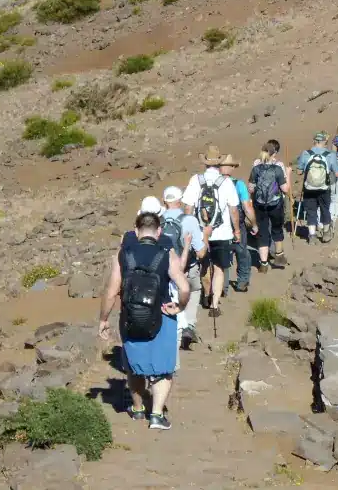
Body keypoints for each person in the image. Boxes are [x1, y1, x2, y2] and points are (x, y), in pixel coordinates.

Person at [98, 212, 190, 430]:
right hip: (162, 315)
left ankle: (138, 409)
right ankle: (157, 415)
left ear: (136, 231)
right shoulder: (167, 254)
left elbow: (111, 292)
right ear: (159, 232)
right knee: (164, 368)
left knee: (133, 366)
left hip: (129, 316)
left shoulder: (123, 254)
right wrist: (180, 306)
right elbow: (185, 288)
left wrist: (103, 319)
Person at [182, 145, 241, 317]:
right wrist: (237, 230)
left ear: (206, 163)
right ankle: (215, 304)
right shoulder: (226, 182)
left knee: (203, 264)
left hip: (200, 232)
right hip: (222, 233)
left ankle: (206, 295)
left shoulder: (196, 180)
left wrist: (188, 228)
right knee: (219, 268)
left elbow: (188, 207)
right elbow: (233, 210)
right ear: (219, 163)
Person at [160, 186, 206, 349]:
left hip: (164, 270)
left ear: (164, 201)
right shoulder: (190, 220)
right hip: (187, 267)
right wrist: (205, 236)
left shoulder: (157, 221)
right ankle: (189, 326)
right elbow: (201, 253)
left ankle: (172, 328)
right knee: (193, 290)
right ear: (180, 201)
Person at [249, 140, 291, 271]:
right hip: (275, 204)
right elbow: (285, 189)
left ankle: (263, 264)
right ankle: (279, 257)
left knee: (262, 233)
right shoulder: (277, 168)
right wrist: (288, 175)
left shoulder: (256, 168)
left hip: (260, 205)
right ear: (273, 154)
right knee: (277, 229)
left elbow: (250, 188)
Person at [296, 132, 338, 244]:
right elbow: (337, 174)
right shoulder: (330, 154)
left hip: (309, 188)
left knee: (311, 211)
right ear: (324, 142)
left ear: (314, 141)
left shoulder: (306, 153)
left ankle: (312, 236)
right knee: (325, 209)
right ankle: (326, 234)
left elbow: (299, 172)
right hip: (324, 188)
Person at [219, 155, 256, 293]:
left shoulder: (212, 183)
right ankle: (242, 282)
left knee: (223, 255)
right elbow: (247, 207)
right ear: (231, 168)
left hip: (218, 226)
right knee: (242, 252)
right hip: (237, 224)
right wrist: (254, 224)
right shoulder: (238, 184)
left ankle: (222, 285)